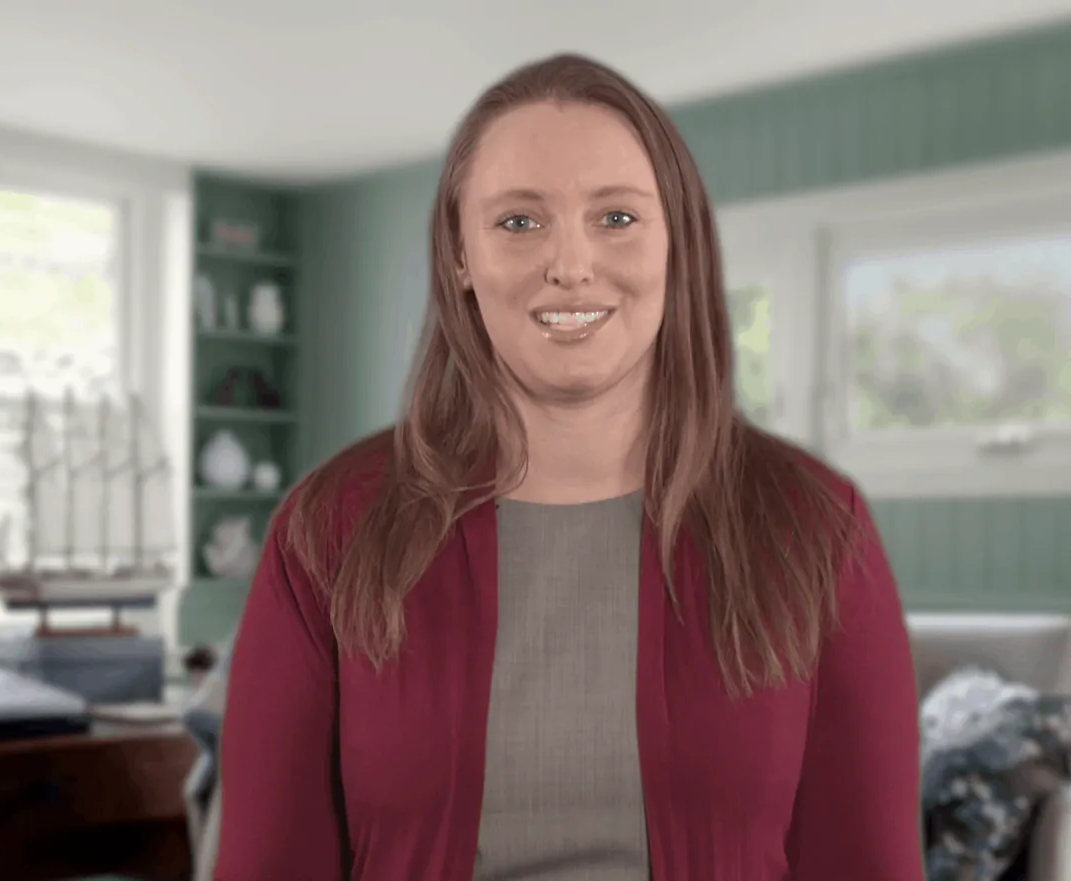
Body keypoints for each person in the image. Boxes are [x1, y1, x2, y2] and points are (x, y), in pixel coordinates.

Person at [215, 53, 923, 881]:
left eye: (616, 217)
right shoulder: (329, 528)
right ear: (459, 256)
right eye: (520, 221)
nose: (572, 264)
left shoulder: (814, 525)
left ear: (678, 244)